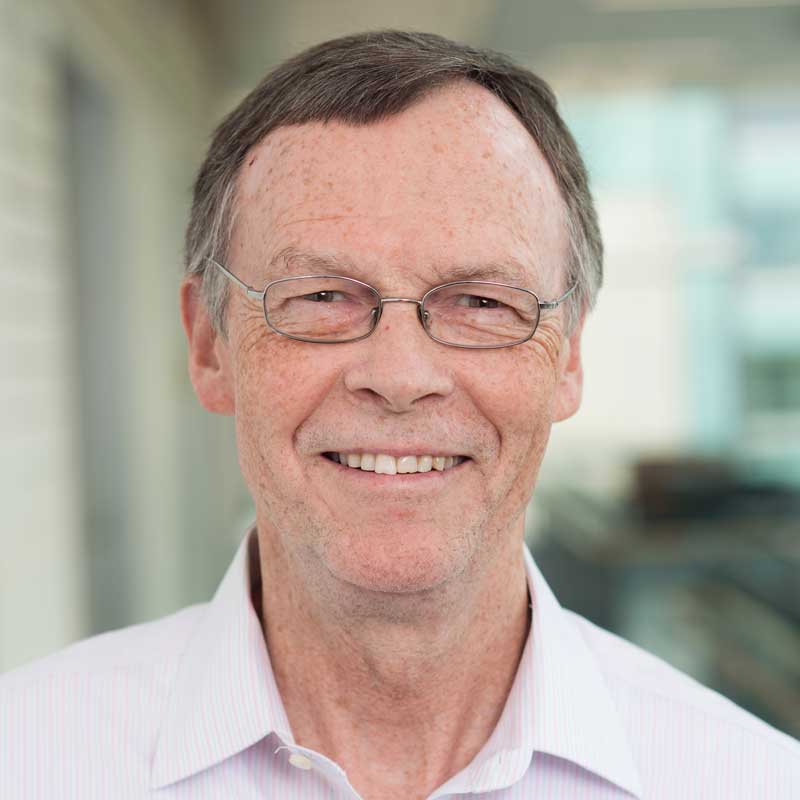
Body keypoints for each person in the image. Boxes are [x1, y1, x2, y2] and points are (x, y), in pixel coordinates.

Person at [1, 30, 798, 800]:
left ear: (570, 356)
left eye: (483, 302)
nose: (400, 376)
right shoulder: (28, 760)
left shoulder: (748, 781)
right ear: (211, 346)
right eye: (321, 297)